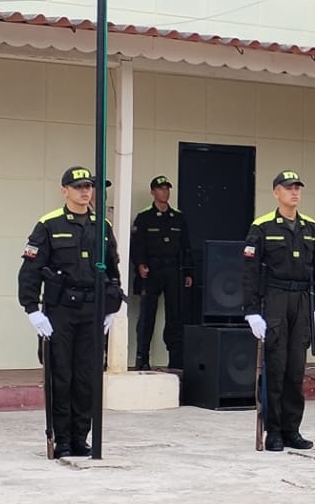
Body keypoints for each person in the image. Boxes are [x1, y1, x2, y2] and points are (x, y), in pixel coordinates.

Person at [18, 166, 123, 458]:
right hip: (60, 311)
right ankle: (62, 439)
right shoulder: (48, 224)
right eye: (78, 187)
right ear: (64, 190)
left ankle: (80, 438)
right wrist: (32, 309)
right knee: (61, 376)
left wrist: (111, 308)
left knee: (87, 377)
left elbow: (113, 269)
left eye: (88, 186)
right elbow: (30, 270)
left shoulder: (102, 226)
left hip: (92, 310)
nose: (85, 191)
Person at [241, 169, 315, 452]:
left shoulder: (311, 228)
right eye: (289, 188)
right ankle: (274, 430)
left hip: (302, 298)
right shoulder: (262, 226)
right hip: (275, 298)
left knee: (295, 369)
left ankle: (292, 429)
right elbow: (250, 272)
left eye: (297, 188)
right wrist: (252, 311)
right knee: (275, 368)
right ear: (276, 192)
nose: (294, 192)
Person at [130, 175, 193, 371]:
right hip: (152, 271)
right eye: (160, 189)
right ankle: (142, 359)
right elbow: (137, 245)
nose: (164, 192)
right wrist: (140, 264)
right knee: (147, 316)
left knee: (175, 316)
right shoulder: (144, 217)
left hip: (173, 270)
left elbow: (186, 247)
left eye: (167, 189)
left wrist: (188, 272)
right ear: (153, 192)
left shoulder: (178, 217)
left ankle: (175, 360)